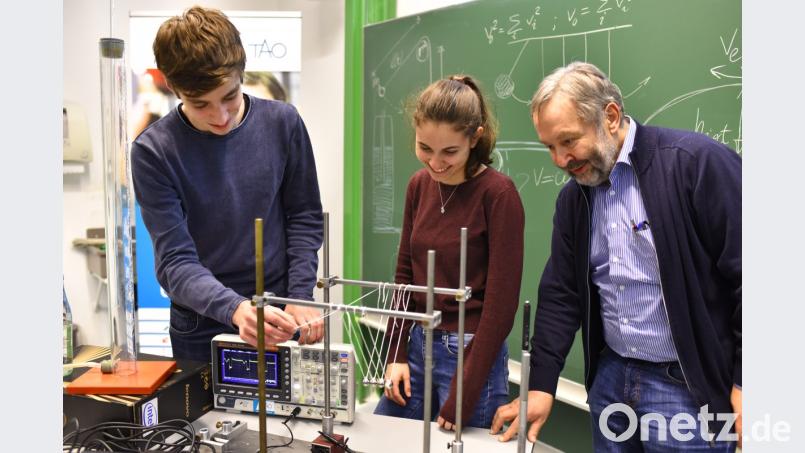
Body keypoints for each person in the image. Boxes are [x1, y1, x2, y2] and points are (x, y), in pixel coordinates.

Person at [490, 62, 741, 451]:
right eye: (550, 147)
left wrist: (745, 383)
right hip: (612, 383)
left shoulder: (695, 165)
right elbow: (561, 294)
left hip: (689, 393)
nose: (560, 160)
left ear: (609, 116)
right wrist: (540, 385)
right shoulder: (575, 199)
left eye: (569, 141)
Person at [130, 6, 325, 363]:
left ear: (241, 73)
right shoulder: (154, 151)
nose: (220, 117)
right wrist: (234, 309)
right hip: (201, 321)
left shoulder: (283, 124)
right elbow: (175, 260)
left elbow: (304, 217)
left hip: (280, 308)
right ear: (174, 88)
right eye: (200, 103)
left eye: (229, 97)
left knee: (289, 418)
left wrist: (299, 296)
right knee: (202, 421)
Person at [373, 75, 526, 430]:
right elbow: (405, 278)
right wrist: (395, 354)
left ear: (475, 138)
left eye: (450, 152)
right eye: (425, 148)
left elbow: (501, 308)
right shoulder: (418, 186)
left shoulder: (498, 195)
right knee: (383, 436)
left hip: (471, 354)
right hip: (416, 344)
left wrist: (467, 388)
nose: (436, 163)